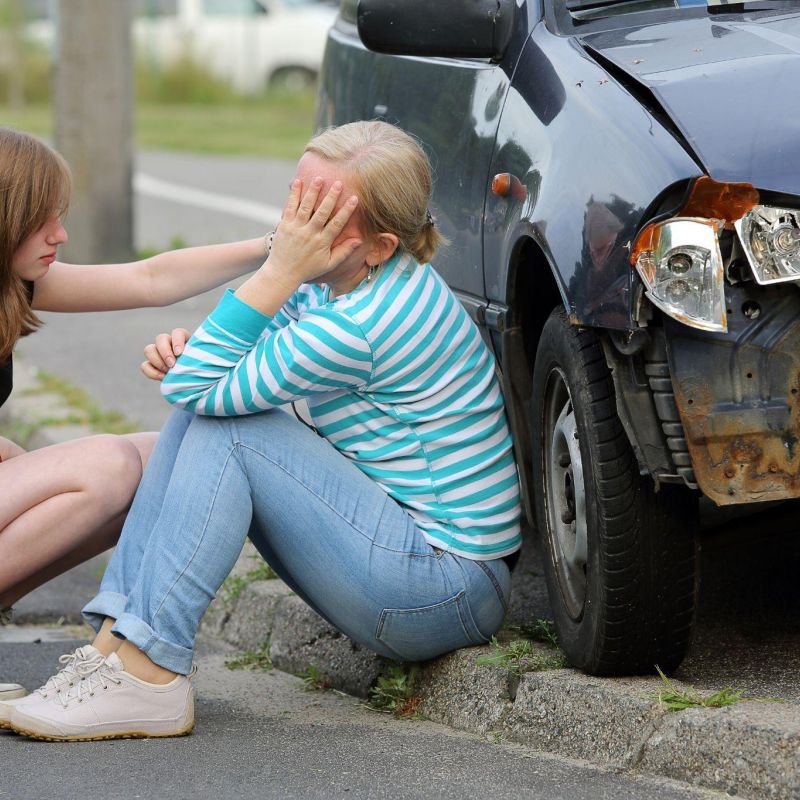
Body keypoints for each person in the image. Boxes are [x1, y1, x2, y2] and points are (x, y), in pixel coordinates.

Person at [3, 120, 523, 742]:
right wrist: (203, 346)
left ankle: (146, 673)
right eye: (294, 203)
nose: (297, 229)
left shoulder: (357, 324)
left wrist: (269, 278)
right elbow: (232, 369)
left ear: (380, 245)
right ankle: (117, 652)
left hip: (443, 589)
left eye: (320, 217)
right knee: (211, 418)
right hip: (410, 561)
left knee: (231, 429)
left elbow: (205, 388)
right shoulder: (339, 287)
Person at [0, 127, 270, 702]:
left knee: (162, 460)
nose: (61, 234)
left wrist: (274, 250)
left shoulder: (15, 283)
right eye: (43, 219)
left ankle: (125, 648)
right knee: (104, 467)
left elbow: (147, 279)